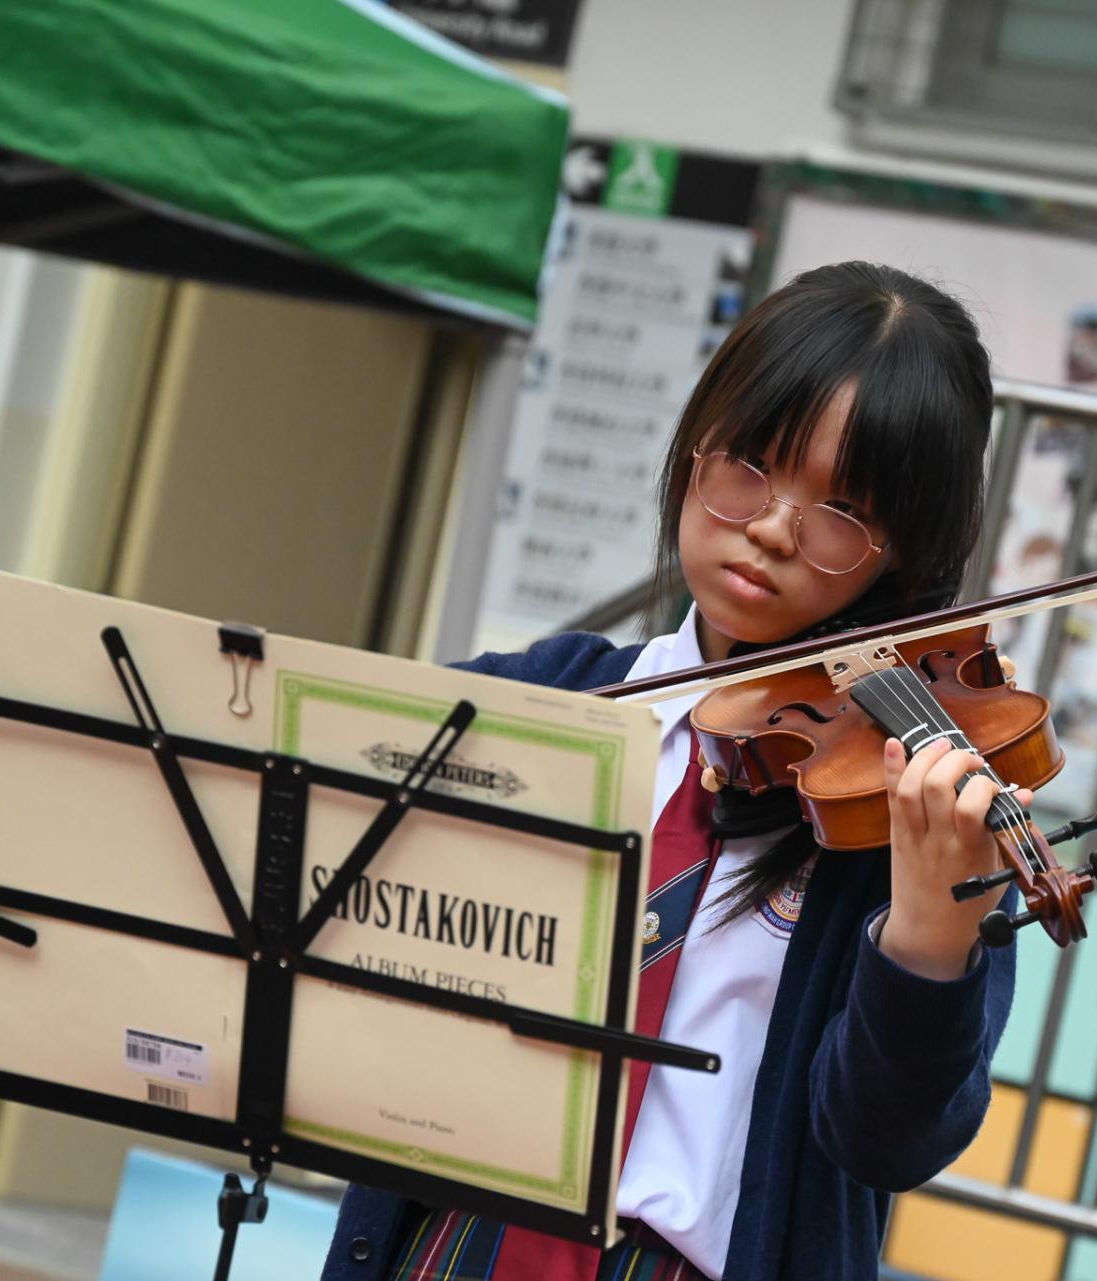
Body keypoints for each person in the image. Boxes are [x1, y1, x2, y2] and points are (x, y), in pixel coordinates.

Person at [322, 262, 1032, 1281]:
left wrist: (926, 935)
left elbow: (888, 1143)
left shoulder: (916, 805)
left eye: (843, 513)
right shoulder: (538, 701)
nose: (775, 528)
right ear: (696, 444)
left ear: (905, 558)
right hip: (454, 1248)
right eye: (752, 464)